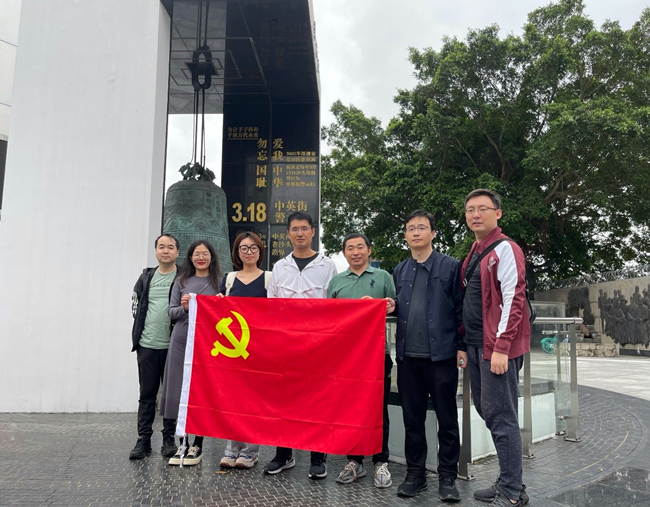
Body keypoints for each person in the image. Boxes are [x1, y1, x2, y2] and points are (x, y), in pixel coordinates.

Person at [460, 189, 531, 507]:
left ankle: (512, 492)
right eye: (470, 210)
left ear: (498, 213)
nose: (475, 214)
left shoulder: (506, 248)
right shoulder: (474, 252)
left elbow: (514, 299)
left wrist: (502, 347)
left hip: (496, 348)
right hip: (476, 345)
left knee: (501, 416)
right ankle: (509, 481)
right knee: (487, 410)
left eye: (483, 209)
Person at [392, 209, 466, 501]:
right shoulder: (400, 270)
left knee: (447, 419)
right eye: (411, 228)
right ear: (406, 235)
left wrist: (462, 346)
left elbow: (461, 309)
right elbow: (399, 307)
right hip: (408, 358)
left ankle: (447, 477)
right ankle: (416, 475)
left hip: (442, 357)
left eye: (422, 227)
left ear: (433, 233)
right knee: (413, 420)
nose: (416, 232)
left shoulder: (451, 267)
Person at [263, 212, 338, 480]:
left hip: (317, 344)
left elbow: (334, 304)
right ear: (288, 234)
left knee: (317, 400)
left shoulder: (327, 265)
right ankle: (283, 454)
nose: (299, 233)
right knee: (284, 400)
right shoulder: (280, 267)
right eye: (294, 229)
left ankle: (318, 457)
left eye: (304, 228)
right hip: (286, 344)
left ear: (313, 232)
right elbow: (271, 305)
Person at [327, 233, 396, 488]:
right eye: (350, 248)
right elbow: (329, 317)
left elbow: (395, 306)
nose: (355, 252)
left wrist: (387, 305)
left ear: (369, 250)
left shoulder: (383, 277)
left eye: (360, 247)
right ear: (344, 253)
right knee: (350, 410)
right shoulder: (336, 282)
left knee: (378, 409)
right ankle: (354, 461)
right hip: (345, 358)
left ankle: (381, 461)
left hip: (377, 355)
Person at [160, 239, 222, 466]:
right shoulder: (181, 281)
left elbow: (225, 313)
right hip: (181, 339)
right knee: (179, 388)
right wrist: (185, 307)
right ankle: (182, 442)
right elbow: (171, 312)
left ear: (212, 257)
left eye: (205, 253)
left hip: (207, 342)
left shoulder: (220, 283)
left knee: (200, 390)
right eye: (196, 254)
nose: (201, 257)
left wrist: (219, 304)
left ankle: (198, 444)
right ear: (190, 257)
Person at [216, 231, 270, 470]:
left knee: (253, 401)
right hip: (234, 351)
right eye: (243, 248)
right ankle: (231, 449)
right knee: (233, 400)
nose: (249, 252)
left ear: (260, 251)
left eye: (253, 248)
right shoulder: (229, 280)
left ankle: (250, 451)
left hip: (258, 349)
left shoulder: (269, 279)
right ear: (237, 252)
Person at [129, 234, 180, 460]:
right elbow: (136, 307)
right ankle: (144, 439)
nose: (165, 251)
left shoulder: (182, 278)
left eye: (170, 247)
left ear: (177, 252)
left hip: (173, 346)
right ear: (156, 251)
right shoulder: (146, 277)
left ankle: (169, 437)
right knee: (147, 394)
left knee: (171, 396)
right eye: (161, 247)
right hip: (147, 345)